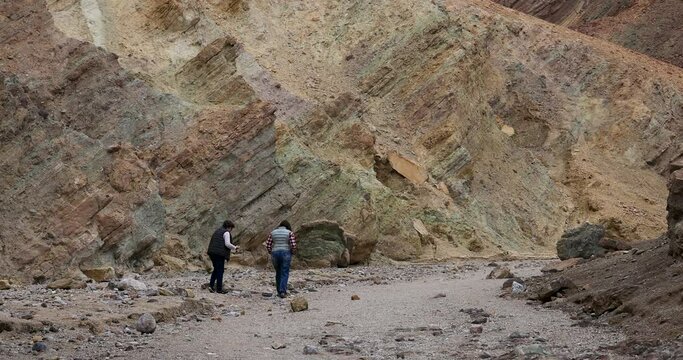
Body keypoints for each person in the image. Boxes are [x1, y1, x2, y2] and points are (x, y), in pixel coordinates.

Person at [266, 220, 297, 298]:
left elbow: (268, 245)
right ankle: (282, 291)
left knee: (278, 272)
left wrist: (270, 252)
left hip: (275, 253)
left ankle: (278, 291)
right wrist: (292, 252)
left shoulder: (273, 232)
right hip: (286, 252)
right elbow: (293, 245)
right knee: (284, 272)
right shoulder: (289, 233)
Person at [207, 220, 239, 293]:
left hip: (212, 252)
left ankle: (211, 286)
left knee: (216, 269)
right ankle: (219, 289)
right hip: (219, 254)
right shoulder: (226, 232)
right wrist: (235, 247)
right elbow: (227, 244)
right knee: (220, 271)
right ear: (229, 227)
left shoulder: (217, 231)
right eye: (231, 228)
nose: (231, 230)